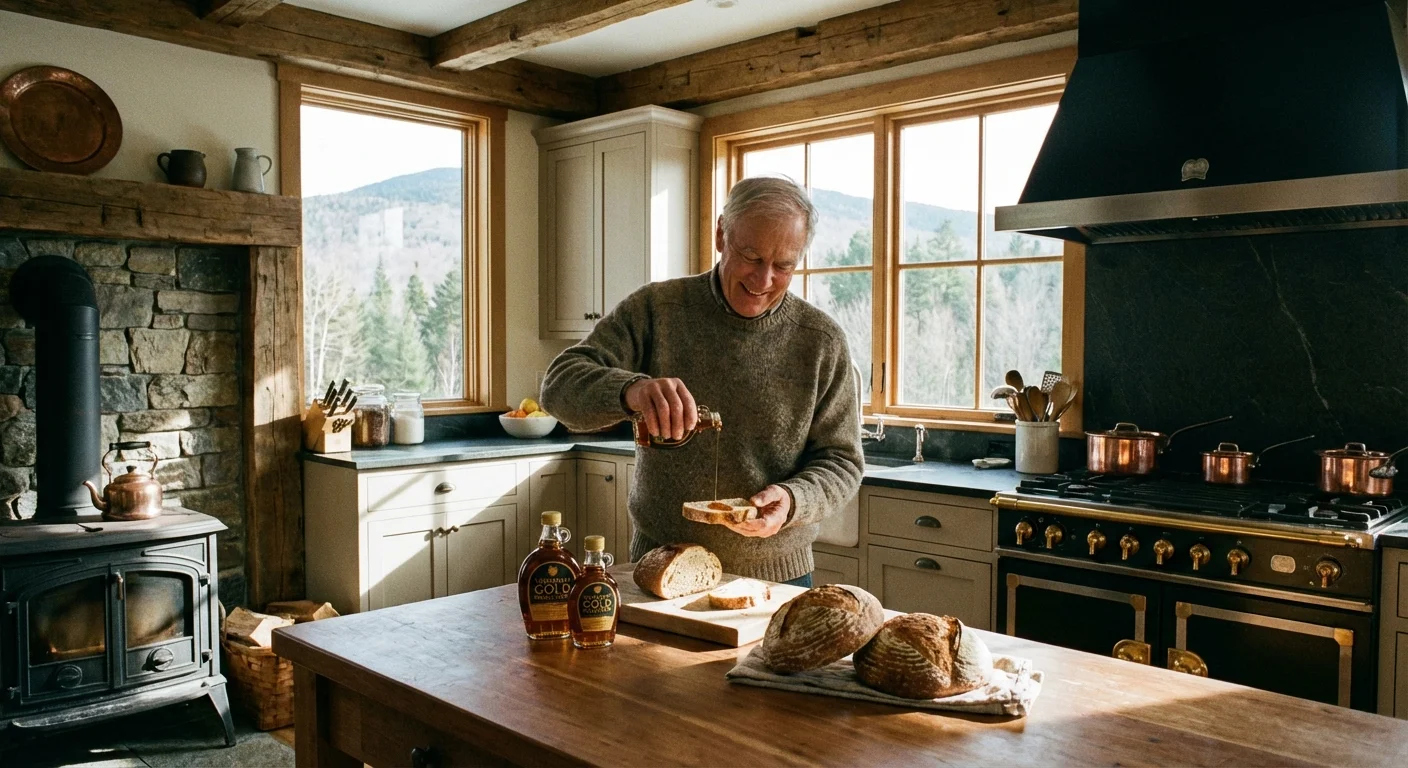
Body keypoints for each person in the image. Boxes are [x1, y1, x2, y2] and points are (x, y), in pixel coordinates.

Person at [540, 176, 863, 586]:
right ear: (720, 234)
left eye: (783, 266)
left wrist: (794, 500)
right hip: (659, 567)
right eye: (750, 256)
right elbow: (558, 387)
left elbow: (842, 462)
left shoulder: (821, 341)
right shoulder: (657, 309)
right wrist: (631, 390)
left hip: (778, 577)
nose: (763, 281)